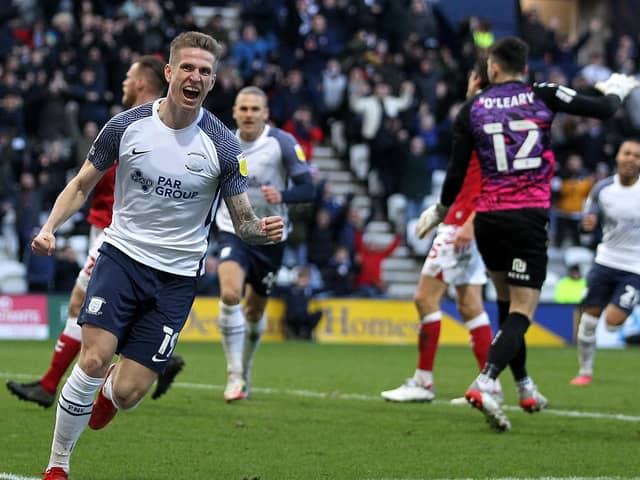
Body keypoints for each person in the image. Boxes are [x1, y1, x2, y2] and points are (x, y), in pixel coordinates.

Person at [37, 32, 284, 480]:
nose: (196, 77)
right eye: (187, 67)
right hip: (122, 258)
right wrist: (49, 227)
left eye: (205, 71)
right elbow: (80, 185)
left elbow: (243, 221)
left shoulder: (224, 146)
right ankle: (58, 466)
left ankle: (110, 393)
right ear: (169, 73)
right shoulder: (125, 126)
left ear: (212, 83)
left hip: (175, 280)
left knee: (129, 393)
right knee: (92, 358)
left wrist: (263, 232)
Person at [415, 37, 635, 432]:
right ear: (523, 67)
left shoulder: (473, 108)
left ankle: (524, 385)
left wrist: (440, 211)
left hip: (488, 220)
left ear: (493, 69)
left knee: (504, 301)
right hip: (527, 218)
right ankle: (485, 380)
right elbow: (602, 108)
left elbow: (455, 173)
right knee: (522, 310)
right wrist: (616, 88)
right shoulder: (542, 94)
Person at [6, 55, 185, 408]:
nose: (123, 82)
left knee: (84, 306)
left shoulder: (148, 126)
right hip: (105, 228)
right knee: (89, 307)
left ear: (142, 83)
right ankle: (151, 359)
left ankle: (51, 385)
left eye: (129, 76)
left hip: (115, 234)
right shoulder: (130, 123)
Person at [381, 59, 501, 404]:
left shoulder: (479, 116)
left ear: (478, 78)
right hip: (466, 218)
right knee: (469, 304)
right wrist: (440, 210)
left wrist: (468, 221)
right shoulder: (491, 119)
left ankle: (423, 382)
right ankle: (488, 384)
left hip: (466, 222)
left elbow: (495, 180)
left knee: (424, 298)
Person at [215, 86, 314, 402]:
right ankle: (232, 375)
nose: (248, 115)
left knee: (255, 312)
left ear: (265, 113)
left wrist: (282, 195)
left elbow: (308, 188)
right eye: (243, 109)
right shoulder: (221, 143)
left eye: (255, 109)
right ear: (234, 112)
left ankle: (245, 370)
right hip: (233, 228)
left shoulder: (281, 143)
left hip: (271, 235)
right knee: (230, 293)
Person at [571, 139, 640, 386]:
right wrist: (586, 224)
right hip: (605, 261)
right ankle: (584, 371)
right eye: (627, 153)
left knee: (612, 322)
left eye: (637, 155)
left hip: (635, 267)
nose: (631, 159)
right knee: (588, 320)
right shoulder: (602, 189)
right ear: (618, 157)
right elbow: (587, 221)